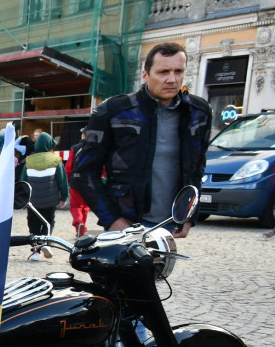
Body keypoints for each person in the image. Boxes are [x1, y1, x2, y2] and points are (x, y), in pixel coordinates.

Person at [73, 42, 211, 238]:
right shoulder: (113, 111)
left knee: (159, 269)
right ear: (145, 75)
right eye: (163, 72)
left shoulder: (199, 112)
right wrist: (112, 220)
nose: (172, 79)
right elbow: (83, 171)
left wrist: (188, 215)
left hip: (170, 224)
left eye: (178, 71)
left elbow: (197, 168)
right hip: (125, 222)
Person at [21, 132, 68, 261]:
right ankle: (45, 243)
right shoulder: (56, 160)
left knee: (33, 223)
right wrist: (64, 197)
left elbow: (23, 181)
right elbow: (62, 180)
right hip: (50, 199)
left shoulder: (29, 161)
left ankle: (36, 250)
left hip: (33, 201)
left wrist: (22, 197)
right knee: (48, 222)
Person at [65, 127, 90, 237]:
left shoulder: (75, 148)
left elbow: (68, 167)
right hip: (90, 181)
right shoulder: (96, 148)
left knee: (76, 206)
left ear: (83, 135)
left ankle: (79, 223)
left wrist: (68, 179)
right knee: (85, 206)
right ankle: (82, 227)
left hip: (76, 180)